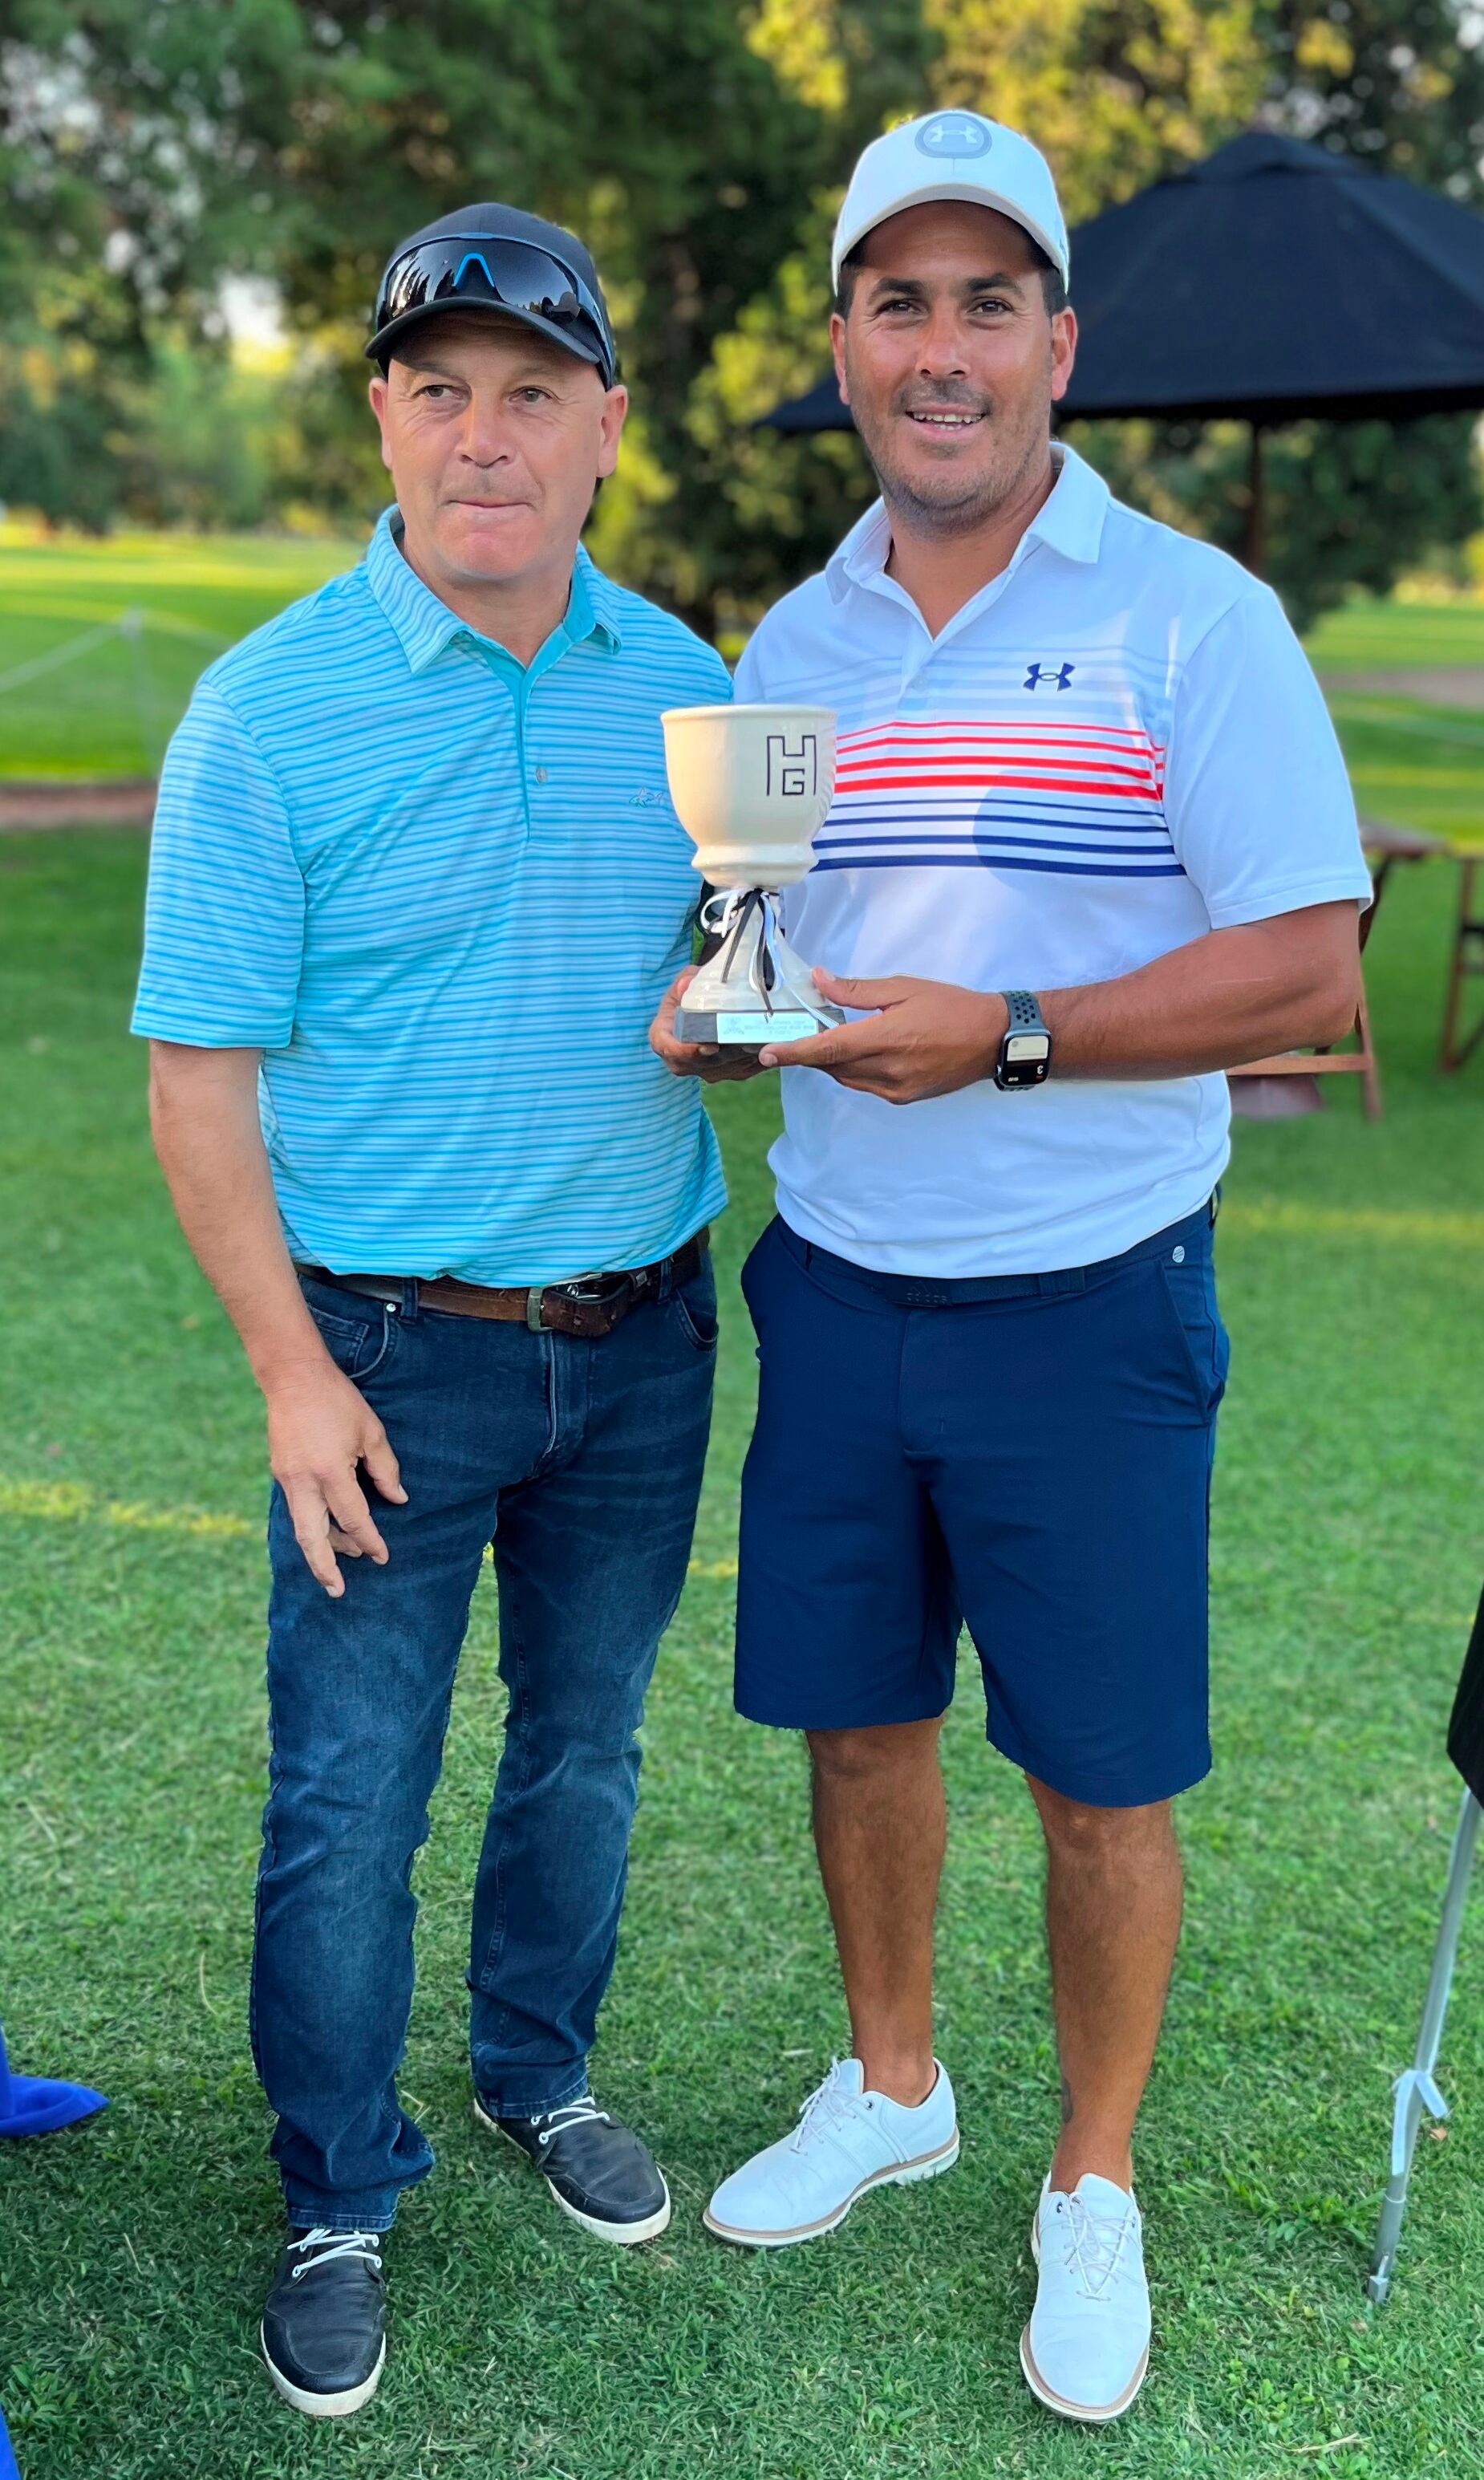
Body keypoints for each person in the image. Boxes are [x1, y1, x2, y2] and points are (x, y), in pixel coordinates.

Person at [653, 110, 1370, 2424]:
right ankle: (893, 2082)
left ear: (1057, 343)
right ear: (845, 345)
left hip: (1087, 1288)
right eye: (896, 302)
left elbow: (1310, 967)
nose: (938, 350)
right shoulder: (795, 629)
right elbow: (757, 927)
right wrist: (714, 994)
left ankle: (1085, 2175)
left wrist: (1020, 1033)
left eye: (986, 303)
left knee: (1097, 1774)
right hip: (841, 1285)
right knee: (857, 1722)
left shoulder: (1192, 615)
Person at [134, 203, 730, 2419]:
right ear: (383, 412)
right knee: (351, 1793)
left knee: (585, 1751)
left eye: (533, 391)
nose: (486, 434)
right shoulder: (263, 710)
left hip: (646, 1327)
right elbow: (196, 1081)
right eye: (440, 386)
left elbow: (729, 969)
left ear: (603, 428)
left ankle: (535, 2069)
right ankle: (335, 2185)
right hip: (378, 1351)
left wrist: (725, 1014)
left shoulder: (693, 689)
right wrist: (291, 1372)